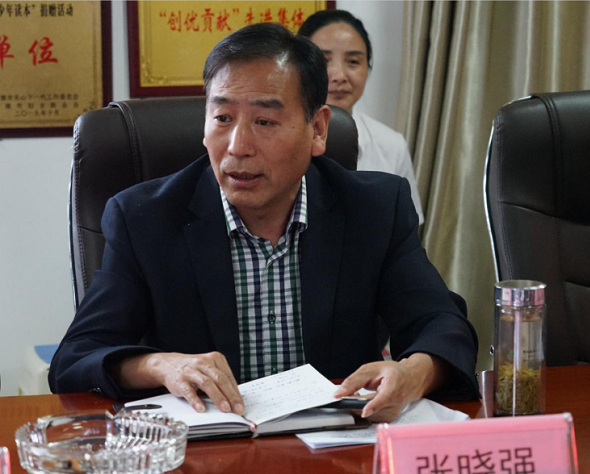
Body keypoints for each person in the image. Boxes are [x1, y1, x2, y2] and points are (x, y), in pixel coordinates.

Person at [49, 23, 478, 423]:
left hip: (335, 450)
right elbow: (76, 357)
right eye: (222, 118)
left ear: (318, 130)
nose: (238, 146)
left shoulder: (374, 209)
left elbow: (443, 325)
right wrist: (161, 365)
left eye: (264, 121)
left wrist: (413, 373)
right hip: (208, 457)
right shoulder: (146, 218)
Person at [298, 10, 424, 225]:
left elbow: (408, 228)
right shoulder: (276, 140)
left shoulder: (392, 145)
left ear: (368, 68)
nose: (339, 76)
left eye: (353, 62)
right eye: (323, 61)